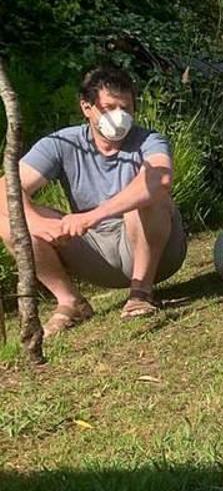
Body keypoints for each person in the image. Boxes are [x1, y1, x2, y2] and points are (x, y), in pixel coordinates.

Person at [3, 66, 188, 335]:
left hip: (158, 252)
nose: (119, 117)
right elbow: (6, 189)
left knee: (147, 198)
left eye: (126, 108)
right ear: (87, 107)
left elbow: (159, 181)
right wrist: (39, 223)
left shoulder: (150, 140)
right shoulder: (60, 143)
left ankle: (141, 293)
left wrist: (91, 216)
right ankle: (70, 302)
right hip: (94, 252)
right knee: (8, 221)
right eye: (109, 107)